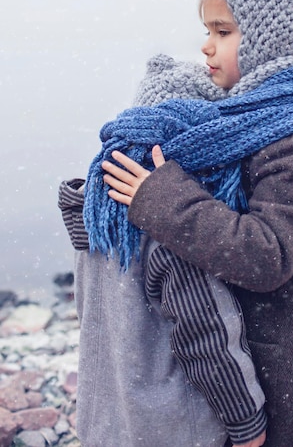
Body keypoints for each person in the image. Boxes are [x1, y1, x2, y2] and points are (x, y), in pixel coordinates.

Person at [101, 0, 293, 447]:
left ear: (271, 40)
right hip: (263, 369)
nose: (206, 47)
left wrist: (162, 197)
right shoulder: (249, 125)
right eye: (208, 31)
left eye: (223, 32)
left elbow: (264, 255)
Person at [58, 53, 268, 447]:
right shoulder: (169, 225)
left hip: (107, 420)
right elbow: (205, 334)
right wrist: (246, 423)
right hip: (175, 428)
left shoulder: (98, 210)